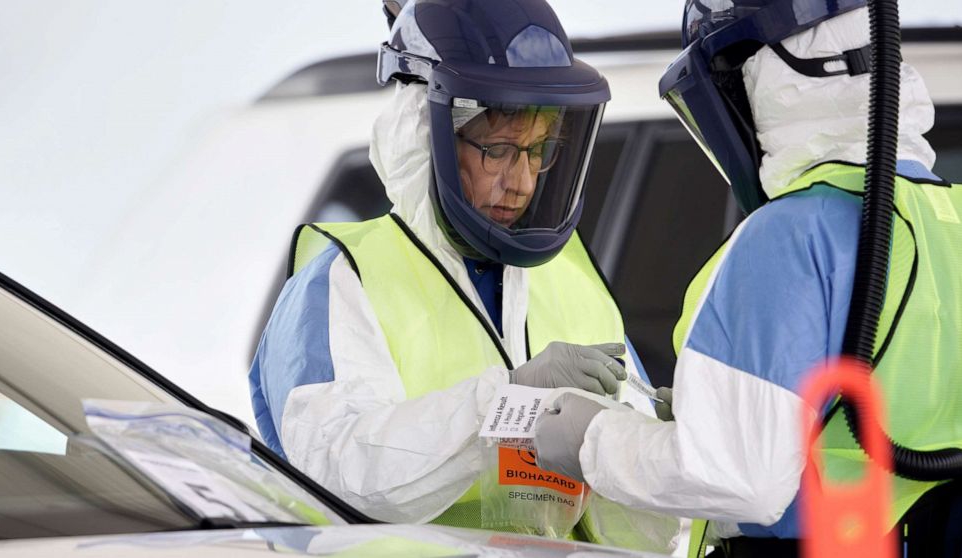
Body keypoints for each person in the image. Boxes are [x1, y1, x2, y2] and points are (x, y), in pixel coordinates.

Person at [534, 1, 962, 556]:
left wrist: (593, 437)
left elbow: (738, 478)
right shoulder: (951, 222)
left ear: (760, 76)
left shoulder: (790, 236)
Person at [249, 0, 677, 551]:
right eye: (497, 150)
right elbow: (340, 472)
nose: (521, 180)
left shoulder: (573, 286)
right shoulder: (346, 279)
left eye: (538, 150)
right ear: (425, 136)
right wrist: (509, 403)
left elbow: (631, 536)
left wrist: (659, 449)